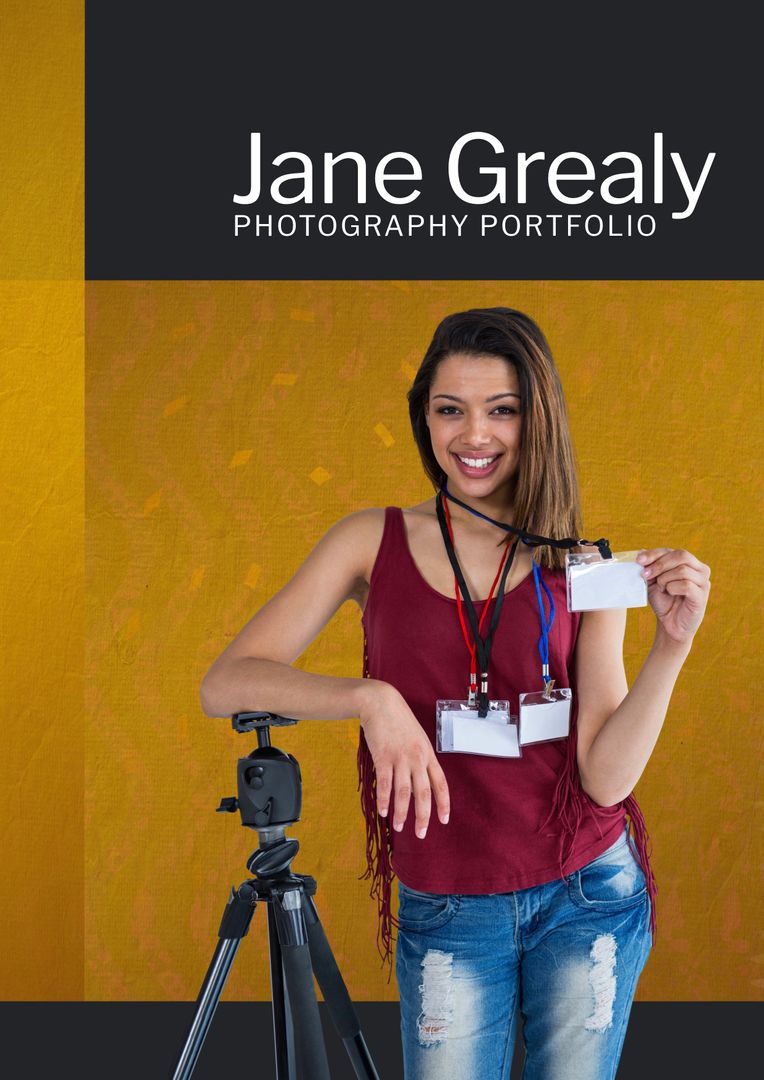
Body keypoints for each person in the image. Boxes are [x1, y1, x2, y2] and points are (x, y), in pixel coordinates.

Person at [200, 306, 711, 1079]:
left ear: (536, 419)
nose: (474, 435)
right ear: (424, 419)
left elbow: (605, 780)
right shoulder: (368, 541)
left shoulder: (583, 565)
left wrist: (672, 648)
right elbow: (226, 682)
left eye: (502, 410)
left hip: (588, 894)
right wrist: (373, 698)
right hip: (450, 906)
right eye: (451, 410)